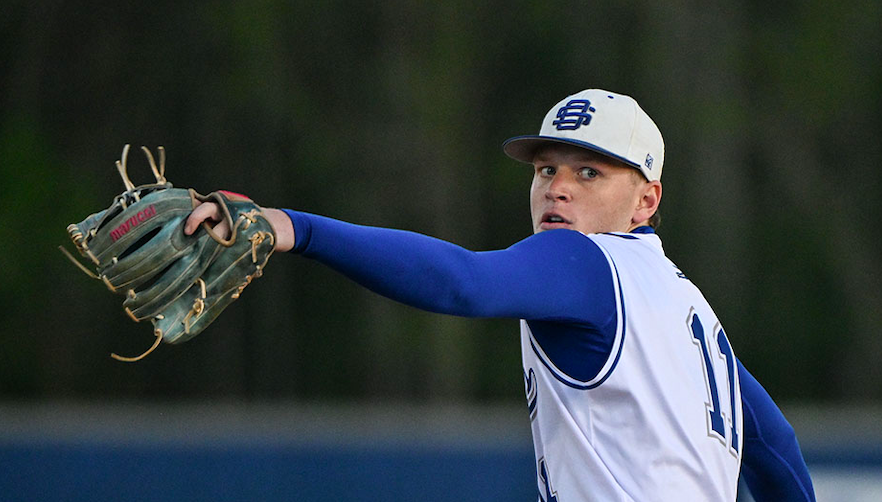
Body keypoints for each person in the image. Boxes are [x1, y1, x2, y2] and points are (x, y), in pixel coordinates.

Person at [186, 89, 815, 501]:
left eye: (589, 172)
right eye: (547, 170)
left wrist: (299, 228)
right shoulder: (689, 309)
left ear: (646, 199)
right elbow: (773, 446)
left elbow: (464, 281)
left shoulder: (581, 257)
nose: (557, 189)